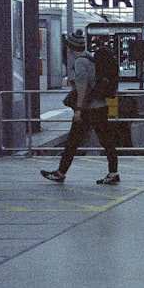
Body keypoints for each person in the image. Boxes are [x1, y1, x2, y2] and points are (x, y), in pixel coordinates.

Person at [41, 30, 119, 185]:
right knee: (106, 141)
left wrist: (78, 109)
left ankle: (60, 173)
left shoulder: (81, 62)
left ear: (70, 47)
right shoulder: (89, 58)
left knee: (73, 141)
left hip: (89, 109)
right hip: (100, 106)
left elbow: (82, 88)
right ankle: (113, 173)